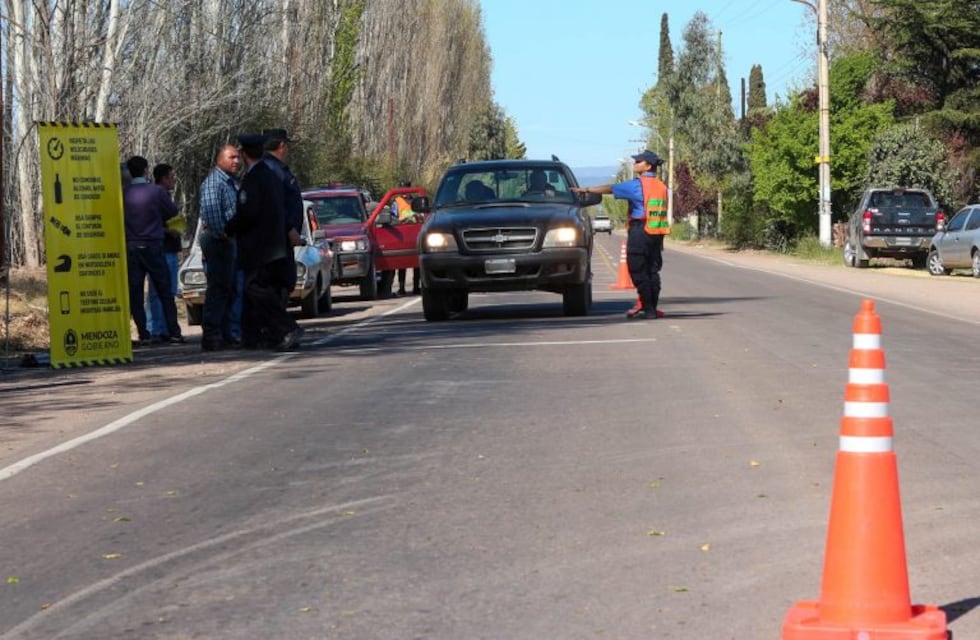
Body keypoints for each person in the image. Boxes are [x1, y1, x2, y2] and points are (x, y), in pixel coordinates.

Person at [226, 134, 303, 350]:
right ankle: (255, 336)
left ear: (243, 154)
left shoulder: (254, 178)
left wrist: (229, 228)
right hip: (273, 244)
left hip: (260, 245)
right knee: (258, 291)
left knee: (256, 288)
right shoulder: (270, 175)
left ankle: (286, 327)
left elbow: (248, 212)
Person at [574, 150, 669, 320]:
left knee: (638, 270)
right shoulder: (661, 186)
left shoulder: (638, 185)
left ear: (647, 165)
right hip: (656, 232)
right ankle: (652, 307)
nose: (635, 164)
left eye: (638, 161)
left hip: (640, 231)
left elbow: (610, 188)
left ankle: (648, 309)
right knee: (652, 271)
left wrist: (587, 189)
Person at [122, 155, 186, 344]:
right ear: (146, 170)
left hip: (132, 246)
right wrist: (166, 226)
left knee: (136, 291)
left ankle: (144, 333)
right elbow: (173, 213)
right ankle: (173, 331)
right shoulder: (156, 191)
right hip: (153, 245)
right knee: (164, 290)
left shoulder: (123, 193)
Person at [198, 144, 243, 351]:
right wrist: (223, 234)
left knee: (230, 288)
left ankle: (228, 333)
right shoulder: (214, 183)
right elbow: (211, 212)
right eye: (231, 157)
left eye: (238, 157)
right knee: (218, 289)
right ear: (219, 159)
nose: (236, 161)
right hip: (218, 241)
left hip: (229, 240)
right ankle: (212, 335)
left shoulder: (231, 182)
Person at [262, 128, 306, 301]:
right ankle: (275, 325)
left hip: (282, 238)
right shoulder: (272, 170)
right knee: (280, 282)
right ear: (281, 145)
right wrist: (289, 228)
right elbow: (274, 205)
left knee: (285, 282)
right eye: (285, 145)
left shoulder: (275, 168)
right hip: (276, 239)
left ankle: (278, 323)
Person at [145, 163, 182, 341]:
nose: (173, 180)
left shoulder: (161, 196)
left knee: (161, 291)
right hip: (164, 248)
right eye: (171, 177)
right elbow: (153, 222)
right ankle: (158, 329)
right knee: (163, 291)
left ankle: (159, 328)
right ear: (164, 178)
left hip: (165, 248)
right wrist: (168, 231)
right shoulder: (158, 196)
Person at [392, 182, 421, 296]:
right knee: (402, 263)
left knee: (416, 262)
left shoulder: (416, 201)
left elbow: (421, 214)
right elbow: (393, 217)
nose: (405, 191)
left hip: (415, 232)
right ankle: (402, 288)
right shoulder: (396, 202)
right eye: (403, 189)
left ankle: (416, 287)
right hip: (401, 233)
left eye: (406, 189)